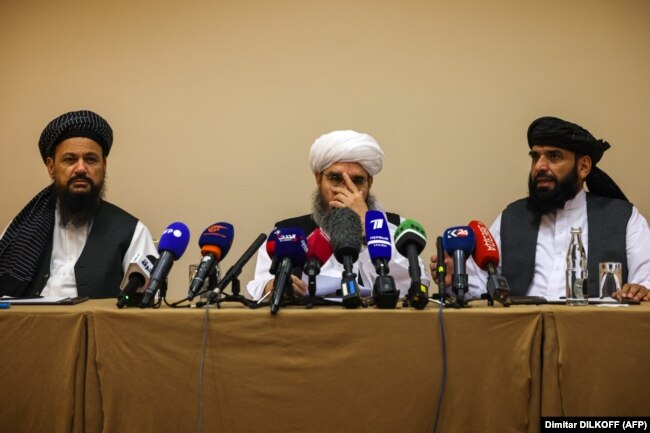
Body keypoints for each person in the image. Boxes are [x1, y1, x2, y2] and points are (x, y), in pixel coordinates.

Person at [431, 116, 650, 302]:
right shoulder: (511, 218)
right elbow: (483, 286)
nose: (539, 166)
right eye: (535, 157)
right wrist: (455, 279)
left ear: (583, 166)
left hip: (595, 339)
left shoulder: (624, 218)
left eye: (553, 156)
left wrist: (641, 290)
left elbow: (645, 281)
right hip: (519, 337)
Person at [247, 129, 430, 301]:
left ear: (370, 183)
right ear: (319, 179)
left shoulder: (397, 228)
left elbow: (414, 284)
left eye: (357, 181)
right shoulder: (286, 232)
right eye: (335, 179)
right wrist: (274, 286)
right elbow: (259, 286)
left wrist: (368, 230)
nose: (345, 190)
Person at [0, 110, 157, 299]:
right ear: (51, 167)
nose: (81, 168)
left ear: (104, 165)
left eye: (90, 159)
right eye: (70, 159)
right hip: (31, 327)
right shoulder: (21, 229)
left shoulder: (132, 233)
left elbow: (148, 305)